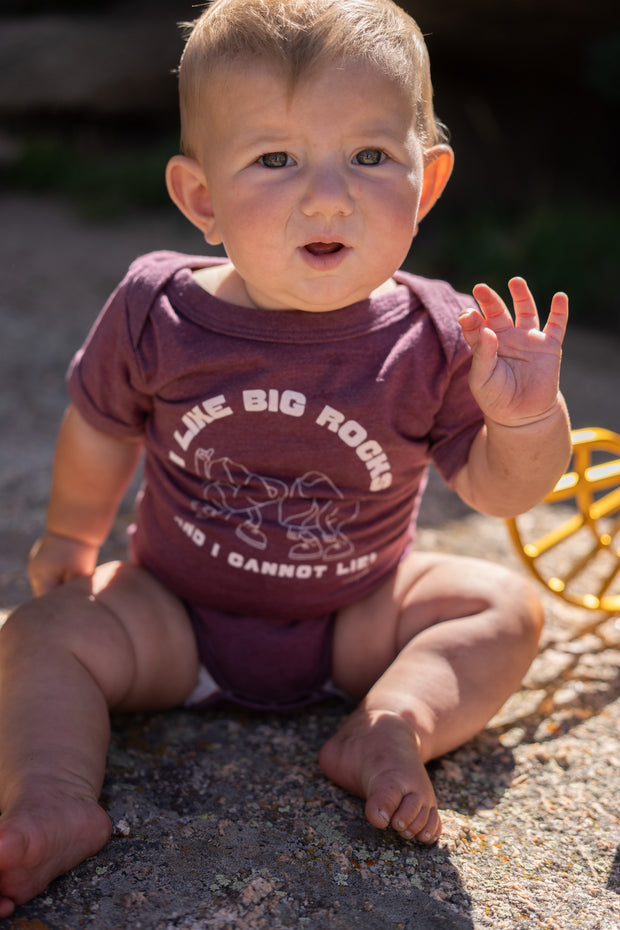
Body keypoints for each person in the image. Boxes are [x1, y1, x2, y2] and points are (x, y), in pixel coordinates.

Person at [0, 0, 572, 915]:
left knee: (502, 607)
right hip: (174, 614)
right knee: (37, 636)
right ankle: (54, 799)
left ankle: (393, 725)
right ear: (201, 199)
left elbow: (503, 493)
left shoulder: (435, 334)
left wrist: (525, 421)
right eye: (275, 159)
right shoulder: (160, 308)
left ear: (425, 185)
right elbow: (103, 424)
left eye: (370, 156)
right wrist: (72, 535)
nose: (328, 195)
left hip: (358, 620)